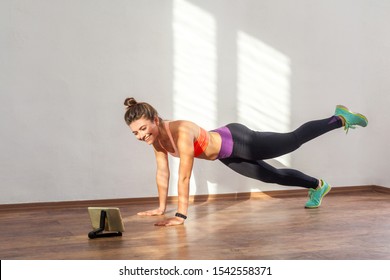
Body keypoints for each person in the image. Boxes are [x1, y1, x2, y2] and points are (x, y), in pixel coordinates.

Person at [124, 97, 368, 226]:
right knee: (271, 176)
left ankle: (339, 118)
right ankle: (317, 185)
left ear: (155, 119)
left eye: (144, 128)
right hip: (226, 155)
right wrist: (160, 207)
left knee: (292, 140)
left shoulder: (180, 131)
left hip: (238, 140)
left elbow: (184, 175)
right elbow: (162, 174)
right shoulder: (157, 141)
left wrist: (181, 215)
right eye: (136, 133)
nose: (141, 136)